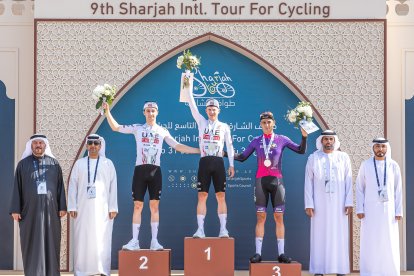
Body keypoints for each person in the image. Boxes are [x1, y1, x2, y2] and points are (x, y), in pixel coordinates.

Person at [103, 101, 199, 250]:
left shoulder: (162, 131)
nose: (150, 113)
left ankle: (154, 241)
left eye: (153, 111)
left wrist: (199, 150)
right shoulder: (138, 128)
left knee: (154, 206)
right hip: (140, 170)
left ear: (157, 113)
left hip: (155, 171)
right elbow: (116, 127)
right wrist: (107, 111)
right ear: (144, 113)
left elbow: (178, 146)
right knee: (137, 205)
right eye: (148, 111)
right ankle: (134, 241)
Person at [233, 111, 307, 263]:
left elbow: (301, 150)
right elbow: (242, 157)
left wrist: (304, 137)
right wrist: (223, 152)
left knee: (278, 217)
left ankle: (281, 253)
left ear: (274, 123)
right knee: (261, 217)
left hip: (277, 182)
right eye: (264, 123)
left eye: (269, 122)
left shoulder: (282, 139)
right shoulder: (256, 140)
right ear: (260, 125)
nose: (267, 125)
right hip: (261, 182)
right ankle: (258, 253)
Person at [9, 134, 67, 276]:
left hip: (51, 213)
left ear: (45, 145)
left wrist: (62, 206)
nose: (38, 145)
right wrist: (15, 209)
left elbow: (60, 187)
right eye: (35, 143)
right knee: (31, 243)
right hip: (29, 213)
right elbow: (17, 188)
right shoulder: (23, 165)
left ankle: (52, 272)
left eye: (41, 143)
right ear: (31, 145)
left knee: (51, 242)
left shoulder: (54, 164)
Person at [185, 92, 235, 238]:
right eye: (209, 109)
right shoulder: (201, 122)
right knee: (202, 196)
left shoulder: (224, 126)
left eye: (214, 109)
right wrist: (188, 86)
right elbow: (193, 107)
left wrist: (231, 164)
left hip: (219, 162)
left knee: (221, 196)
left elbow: (230, 146)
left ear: (218, 110)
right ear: (206, 111)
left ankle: (223, 229)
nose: (212, 111)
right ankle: (200, 229)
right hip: (205, 161)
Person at [304, 130, 353, 276]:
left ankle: (340, 269)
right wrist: (309, 204)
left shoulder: (343, 157)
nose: (328, 142)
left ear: (335, 141)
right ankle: (319, 270)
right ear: (321, 141)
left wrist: (349, 202)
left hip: (339, 205)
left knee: (339, 236)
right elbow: (308, 182)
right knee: (319, 236)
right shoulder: (313, 158)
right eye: (326, 139)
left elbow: (349, 181)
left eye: (331, 139)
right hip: (319, 205)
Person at [68, 134, 118, 276]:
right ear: (86, 145)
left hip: (103, 209)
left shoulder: (108, 163)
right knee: (83, 238)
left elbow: (113, 187)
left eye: (96, 143)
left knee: (102, 238)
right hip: (82, 209)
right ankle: (81, 270)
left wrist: (113, 207)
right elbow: (72, 185)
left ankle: (102, 269)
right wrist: (72, 206)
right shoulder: (79, 163)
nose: (93, 146)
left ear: (100, 146)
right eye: (90, 143)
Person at [356, 138, 403, 276]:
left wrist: (399, 210)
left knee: (389, 240)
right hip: (370, 211)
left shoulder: (393, 165)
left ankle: (390, 271)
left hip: (389, 211)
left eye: (383, 147)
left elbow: (398, 189)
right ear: (373, 148)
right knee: (371, 240)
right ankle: (370, 271)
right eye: (377, 147)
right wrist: (360, 208)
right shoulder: (366, 165)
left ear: (387, 148)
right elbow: (359, 187)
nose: (380, 149)